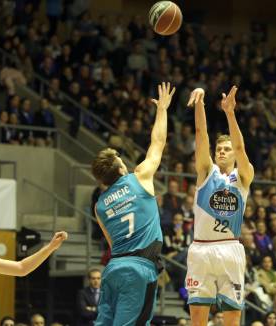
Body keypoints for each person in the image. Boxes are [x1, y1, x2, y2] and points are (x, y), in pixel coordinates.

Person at [91, 82, 175, 325]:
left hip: (113, 268)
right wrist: (162, 110)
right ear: (120, 167)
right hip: (139, 269)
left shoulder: (100, 206)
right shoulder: (140, 177)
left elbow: (112, 242)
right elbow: (157, 142)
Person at [186, 85, 254, 326]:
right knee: (197, 319)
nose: (223, 152)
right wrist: (201, 104)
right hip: (201, 249)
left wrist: (230, 113)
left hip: (230, 249)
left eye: (226, 149)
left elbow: (240, 147)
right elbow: (200, 134)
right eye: (219, 149)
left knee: (233, 319)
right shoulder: (206, 172)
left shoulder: (243, 176)